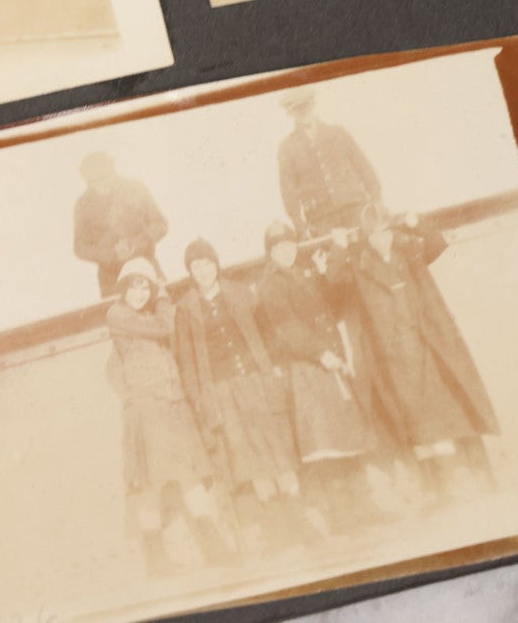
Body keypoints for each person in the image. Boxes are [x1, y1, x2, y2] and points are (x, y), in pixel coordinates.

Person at [345, 202, 499, 502]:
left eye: (385, 232)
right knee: (420, 426)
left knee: (451, 412)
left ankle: (473, 481)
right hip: (399, 358)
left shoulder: (409, 253)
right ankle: (441, 490)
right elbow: (335, 281)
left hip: (429, 345)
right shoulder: (360, 268)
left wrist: (418, 223)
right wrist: (338, 248)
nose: (382, 239)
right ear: (366, 237)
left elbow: (436, 244)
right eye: (374, 235)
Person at [172, 239, 319, 555]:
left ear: (217, 264)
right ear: (190, 273)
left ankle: (299, 521)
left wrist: (274, 369)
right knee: (250, 457)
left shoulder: (240, 292)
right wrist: (199, 398)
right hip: (222, 390)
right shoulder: (185, 308)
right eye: (196, 267)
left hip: (256, 380)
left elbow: (268, 332)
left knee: (276, 447)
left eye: (207, 263)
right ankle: (276, 527)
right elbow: (186, 359)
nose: (203, 271)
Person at [106, 259, 232, 576]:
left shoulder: (146, 316)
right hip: (147, 410)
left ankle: (214, 548)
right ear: (123, 289)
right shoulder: (118, 314)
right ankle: (156, 560)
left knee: (187, 475)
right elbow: (165, 327)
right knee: (151, 484)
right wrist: (163, 296)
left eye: (145, 285)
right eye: (133, 285)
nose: (139, 292)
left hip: (170, 407)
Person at [255, 220, 382, 535]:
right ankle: (341, 517)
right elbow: (286, 329)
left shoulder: (302, 272)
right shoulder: (270, 282)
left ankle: (364, 508)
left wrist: (327, 273)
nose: (285, 250)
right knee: (324, 443)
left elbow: (331, 305)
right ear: (270, 252)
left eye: (289, 244)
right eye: (278, 247)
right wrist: (319, 353)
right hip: (308, 368)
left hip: (329, 362)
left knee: (345, 435)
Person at [277, 86, 382, 237]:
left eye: (306, 106)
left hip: (356, 208)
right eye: (297, 109)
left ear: (313, 105)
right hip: (322, 219)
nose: (303, 111)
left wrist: (377, 201)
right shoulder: (287, 148)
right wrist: (300, 225)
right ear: (290, 113)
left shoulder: (338, 133)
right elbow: (288, 193)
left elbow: (364, 168)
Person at [71, 152, 169, 298]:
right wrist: (109, 254)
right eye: (95, 183)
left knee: (161, 313)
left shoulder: (135, 188)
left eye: (105, 178)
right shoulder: (83, 204)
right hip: (111, 279)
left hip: (145, 266)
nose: (102, 185)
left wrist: (135, 244)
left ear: (113, 173)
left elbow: (160, 224)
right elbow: (79, 248)